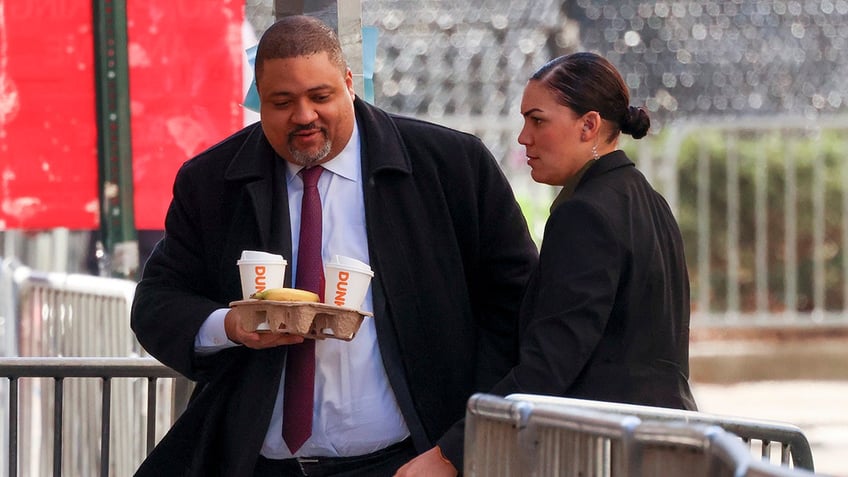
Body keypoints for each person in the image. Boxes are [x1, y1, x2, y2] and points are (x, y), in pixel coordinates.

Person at [130, 15, 538, 477]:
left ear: (349, 83)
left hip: (408, 463)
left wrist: (457, 448)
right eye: (282, 102)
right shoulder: (211, 182)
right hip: (259, 464)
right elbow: (157, 304)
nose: (304, 116)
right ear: (258, 101)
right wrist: (229, 325)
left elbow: (517, 310)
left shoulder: (450, 167)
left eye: (320, 96)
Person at [397, 52, 697, 476]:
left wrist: (451, 454)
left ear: (588, 125)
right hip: (661, 446)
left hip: (609, 455)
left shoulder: (586, 212)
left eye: (538, 121)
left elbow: (550, 363)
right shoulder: (644, 198)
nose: (523, 137)